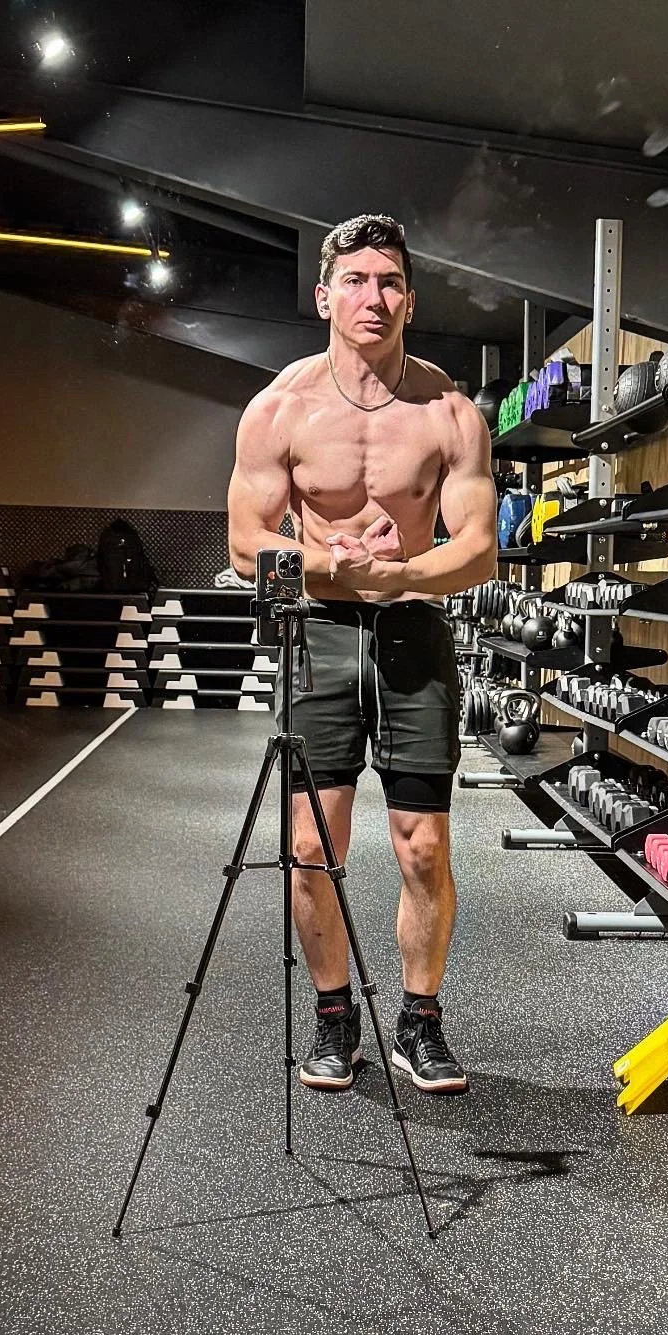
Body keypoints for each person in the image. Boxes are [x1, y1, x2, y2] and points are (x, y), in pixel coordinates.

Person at [226, 214, 497, 1094]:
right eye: (354, 280)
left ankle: (420, 1023)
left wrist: (398, 574)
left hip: (413, 632)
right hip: (322, 635)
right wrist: (329, 562)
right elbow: (242, 544)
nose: (371, 298)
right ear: (323, 296)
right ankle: (335, 1017)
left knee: (422, 848)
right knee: (312, 844)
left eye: (388, 282)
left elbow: (481, 548)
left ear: (410, 298)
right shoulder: (279, 409)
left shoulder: (450, 412)